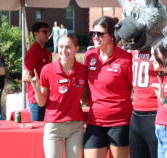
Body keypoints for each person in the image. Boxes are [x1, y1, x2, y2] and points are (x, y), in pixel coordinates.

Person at [30, 33, 88, 158]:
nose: (63, 50)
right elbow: (41, 102)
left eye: (68, 47)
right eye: (61, 46)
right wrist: (36, 89)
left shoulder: (83, 70)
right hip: (54, 126)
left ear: (76, 49)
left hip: (75, 126)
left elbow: (85, 98)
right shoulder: (47, 69)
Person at [84, 16, 133, 158]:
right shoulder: (89, 56)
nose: (95, 37)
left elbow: (134, 91)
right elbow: (85, 86)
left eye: (99, 34)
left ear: (111, 36)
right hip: (95, 121)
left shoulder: (125, 59)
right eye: (92, 33)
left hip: (120, 122)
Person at [23, 22, 52, 121]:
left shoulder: (47, 52)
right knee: (38, 129)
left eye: (48, 32)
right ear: (36, 34)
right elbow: (25, 77)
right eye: (44, 32)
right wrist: (40, 83)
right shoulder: (33, 52)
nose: (47, 34)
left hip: (46, 96)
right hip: (36, 99)